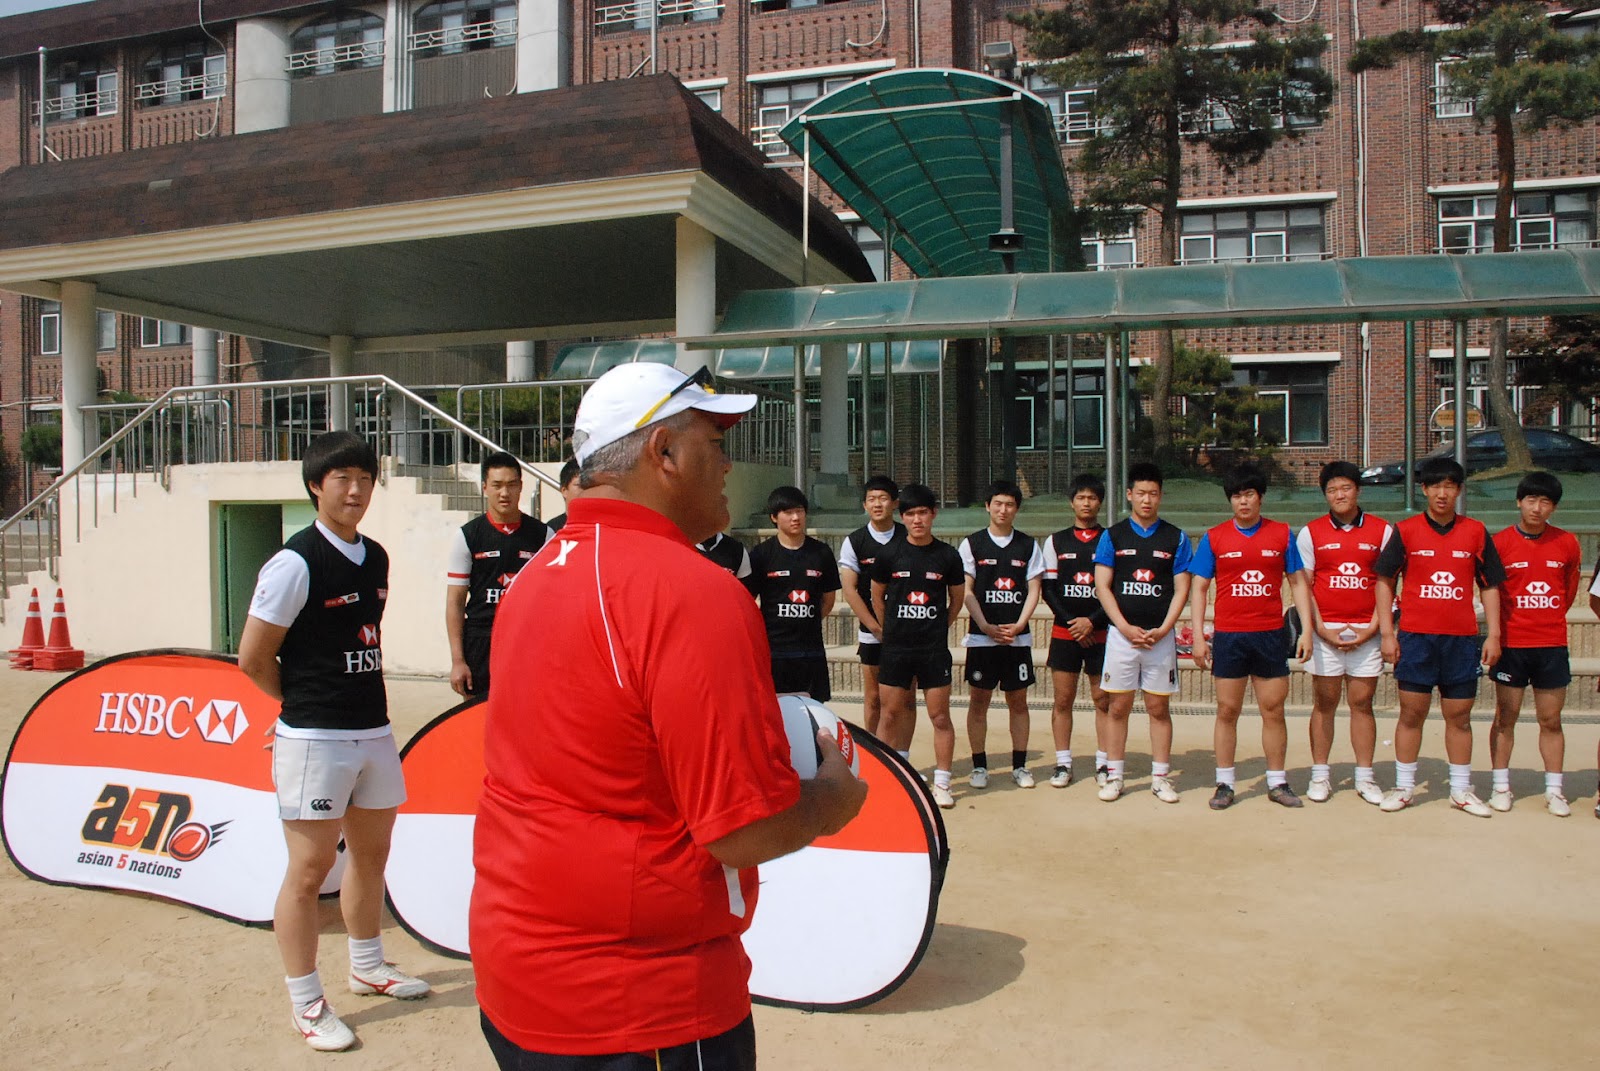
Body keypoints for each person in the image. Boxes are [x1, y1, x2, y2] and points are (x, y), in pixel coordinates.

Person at [470, 363, 866, 1070]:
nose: (728, 462)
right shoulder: (692, 591)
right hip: (643, 1004)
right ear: (664, 453)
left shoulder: (534, 572)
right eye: (715, 441)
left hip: (516, 973)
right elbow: (743, 830)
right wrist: (833, 797)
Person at [237, 431, 429, 1053]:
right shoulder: (294, 562)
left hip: (373, 729)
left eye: (365, 479)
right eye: (342, 478)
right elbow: (253, 658)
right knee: (308, 871)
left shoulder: (376, 558)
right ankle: (306, 1002)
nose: (355, 490)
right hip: (315, 738)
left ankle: (367, 966)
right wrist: (298, 710)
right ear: (315, 486)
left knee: (371, 856)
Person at [1374, 456, 1505, 816]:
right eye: (1436, 486)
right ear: (1425, 489)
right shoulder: (1406, 531)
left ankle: (1461, 790)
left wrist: (1493, 635)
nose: (1442, 493)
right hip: (1416, 639)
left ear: (1459, 490)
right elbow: (1384, 582)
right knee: (1411, 713)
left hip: (1460, 640)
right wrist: (1387, 633)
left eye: (1450, 486)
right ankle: (1404, 787)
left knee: (1459, 716)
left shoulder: (1475, 532)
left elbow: (1490, 586)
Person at [1190, 463, 1314, 810]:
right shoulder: (1214, 537)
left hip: (1270, 635)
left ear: (1260, 497)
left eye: (1249, 494)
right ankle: (1225, 783)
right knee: (1227, 709)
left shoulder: (1282, 534)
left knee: (1273, 709)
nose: (1243, 501)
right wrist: (1199, 635)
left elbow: (1297, 583)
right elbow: (1199, 588)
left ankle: (1277, 782)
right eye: (1236, 496)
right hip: (1230, 636)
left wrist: (1306, 629)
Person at [1295, 461, 1394, 804]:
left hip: (1367, 630)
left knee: (1362, 703)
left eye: (1346, 488)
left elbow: (1388, 583)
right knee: (1324, 703)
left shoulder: (1383, 531)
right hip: (1326, 633)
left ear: (1358, 490)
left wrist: (1374, 629)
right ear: (1325, 495)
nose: (1339, 495)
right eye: (1332, 490)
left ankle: (1365, 777)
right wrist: (1320, 629)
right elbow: (1304, 586)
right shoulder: (1310, 533)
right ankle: (1320, 776)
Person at [1093, 462, 1192, 804]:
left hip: (1159, 640)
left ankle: (1161, 778)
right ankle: (1114, 775)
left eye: (1153, 494)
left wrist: (1164, 629)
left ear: (1160, 496)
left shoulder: (1176, 537)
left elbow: (1181, 589)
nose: (1147, 500)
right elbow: (1102, 586)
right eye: (1141, 493)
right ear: (1129, 495)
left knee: (1158, 708)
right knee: (1117, 707)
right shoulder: (1113, 536)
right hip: (1122, 638)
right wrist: (1123, 626)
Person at [1488, 472, 1581, 816]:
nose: (1537, 508)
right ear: (1519, 502)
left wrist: (1547, 618)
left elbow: (1568, 590)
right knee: (1505, 717)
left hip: (1551, 644)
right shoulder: (1500, 543)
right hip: (1512, 645)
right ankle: (1500, 786)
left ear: (1553, 507)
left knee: (1551, 719)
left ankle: (1554, 791)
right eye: (1531, 500)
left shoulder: (1567, 543)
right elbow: (1491, 591)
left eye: (1545, 502)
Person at [870, 483, 966, 809]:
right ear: (902, 517)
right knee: (889, 715)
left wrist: (939, 626)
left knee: (940, 717)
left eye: (923, 512)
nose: (917, 520)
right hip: (896, 649)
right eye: (910, 514)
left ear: (933, 514)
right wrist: (889, 629)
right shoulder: (889, 554)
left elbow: (956, 600)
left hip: (933, 650)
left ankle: (943, 783)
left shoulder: (948, 556)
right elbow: (877, 596)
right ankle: (887, 777)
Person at [959, 480, 1046, 790]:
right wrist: (983, 625)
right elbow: (967, 590)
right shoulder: (972, 544)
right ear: (987, 506)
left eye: (1009, 504)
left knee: (1018, 702)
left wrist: (1020, 624)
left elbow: (1034, 589)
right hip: (982, 638)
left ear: (1017, 509)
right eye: (997, 503)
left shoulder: (1028, 545)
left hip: (1016, 639)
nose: (1003, 509)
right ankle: (979, 766)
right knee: (978, 701)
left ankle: (1020, 766)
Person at [444, 451, 552, 698]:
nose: (505, 493)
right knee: (477, 717)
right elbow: (455, 602)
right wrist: (458, 660)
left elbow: (552, 599)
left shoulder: (544, 536)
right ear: (485, 487)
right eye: (497, 485)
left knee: (525, 715)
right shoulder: (467, 536)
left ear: (521, 487)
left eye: (511, 485)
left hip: (526, 642)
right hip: (480, 643)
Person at [1042, 473, 1110, 789]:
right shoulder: (1055, 541)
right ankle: (1063, 764)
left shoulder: (1110, 539)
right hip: (1065, 632)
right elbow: (1049, 589)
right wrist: (1074, 622)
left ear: (1100, 502)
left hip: (1101, 632)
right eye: (1081, 497)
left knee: (1102, 699)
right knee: (1063, 700)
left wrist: (1091, 622)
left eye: (1092, 498)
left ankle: (1104, 763)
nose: (1086, 503)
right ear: (1072, 502)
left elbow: (1114, 589)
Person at [748, 485, 841, 702]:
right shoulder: (761, 555)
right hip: (775, 651)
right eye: (788, 512)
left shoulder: (821, 552)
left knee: (814, 710)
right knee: (776, 710)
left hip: (811, 651)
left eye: (799, 511)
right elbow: (749, 600)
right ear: (774, 517)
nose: (795, 518)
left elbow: (828, 600)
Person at [837, 476, 906, 736]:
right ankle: (875, 751)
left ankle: (899, 753)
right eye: (871, 499)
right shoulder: (855, 541)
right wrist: (875, 627)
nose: (877, 504)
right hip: (872, 632)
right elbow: (850, 590)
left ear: (895, 503)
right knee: (874, 697)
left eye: (883, 498)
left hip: (906, 630)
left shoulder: (908, 537)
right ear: (864, 505)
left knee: (903, 698)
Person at [543, 456, 580, 532]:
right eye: (579, 485)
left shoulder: (599, 527)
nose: (585, 490)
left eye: (589, 485)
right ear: (564, 490)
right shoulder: (551, 530)